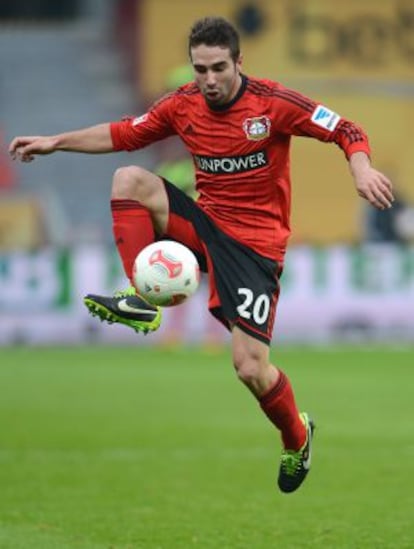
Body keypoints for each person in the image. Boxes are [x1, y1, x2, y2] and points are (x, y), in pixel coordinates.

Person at [9, 16, 394, 494]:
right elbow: (123, 133)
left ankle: (297, 437)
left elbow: (346, 128)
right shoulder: (183, 105)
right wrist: (55, 142)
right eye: (200, 70)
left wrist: (361, 170)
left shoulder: (273, 104)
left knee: (250, 367)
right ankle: (140, 298)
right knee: (129, 178)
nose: (209, 80)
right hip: (206, 225)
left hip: (255, 248)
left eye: (217, 68)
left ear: (238, 62)